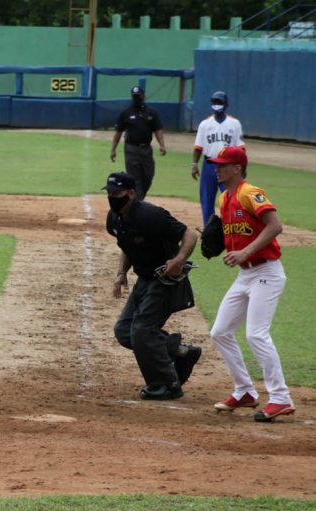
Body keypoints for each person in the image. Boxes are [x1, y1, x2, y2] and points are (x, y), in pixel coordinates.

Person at [206, 146, 296, 422]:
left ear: (237, 168)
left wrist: (245, 252)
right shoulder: (224, 197)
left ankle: (280, 398)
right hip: (245, 276)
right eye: (216, 165)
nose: (217, 169)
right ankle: (245, 391)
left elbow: (275, 226)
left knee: (256, 334)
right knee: (220, 331)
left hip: (266, 273)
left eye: (222, 165)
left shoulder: (249, 192)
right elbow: (228, 231)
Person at [106, 172, 203, 401]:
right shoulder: (115, 218)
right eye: (109, 193)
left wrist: (178, 260)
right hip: (144, 280)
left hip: (165, 281)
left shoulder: (151, 215)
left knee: (142, 332)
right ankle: (181, 352)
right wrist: (121, 273)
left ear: (131, 193)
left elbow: (189, 234)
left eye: (117, 193)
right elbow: (127, 245)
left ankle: (167, 385)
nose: (112, 197)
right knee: (124, 331)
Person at [193, 91, 245, 225]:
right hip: (209, 164)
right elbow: (198, 147)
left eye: (219, 102)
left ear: (226, 104)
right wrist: (194, 164)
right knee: (207, 200)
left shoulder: (235, 123)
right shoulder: (204, 124)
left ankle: (232, 224)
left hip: (228, 166)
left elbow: (240, 148)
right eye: (215, 102)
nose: (217, 105)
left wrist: (241, 168)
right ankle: (209, 230)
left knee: (231, 197)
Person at [109, 86, 167, 200]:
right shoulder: (125, 113)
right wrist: (113, 149)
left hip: (146, 149)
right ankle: (138, 203)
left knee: (148, 176)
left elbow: (157, 130)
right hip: (131, 149)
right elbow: (118, 132)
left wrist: (162, 145)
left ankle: (139, 199)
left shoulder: (151, 113)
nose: (137, 98)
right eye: (134, 96)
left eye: (138, 96)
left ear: (143, 96)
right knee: (135, 178)